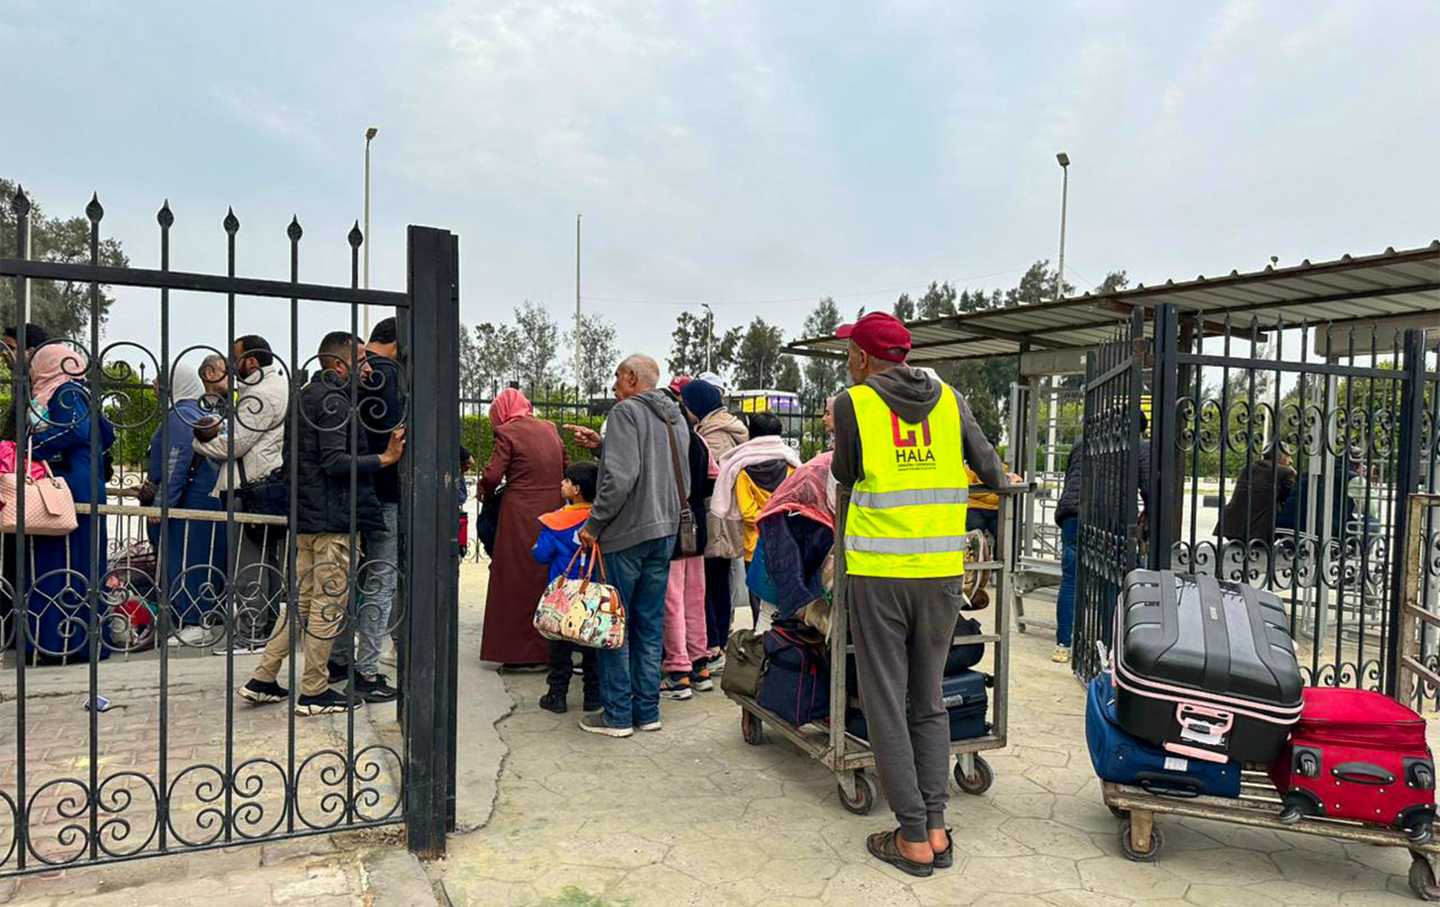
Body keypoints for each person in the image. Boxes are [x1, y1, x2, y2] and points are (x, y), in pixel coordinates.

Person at [830, 312, 1011, 877]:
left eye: (848, 355)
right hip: (940, 574)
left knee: (886, 701)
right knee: (927, 700)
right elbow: (991, 471)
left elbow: (846, 472)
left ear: (862, 358)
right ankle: (936, 826)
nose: (847, 364)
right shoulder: (951, 398)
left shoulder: (851, 403)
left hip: (879, 575)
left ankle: (910, 835)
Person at [239, 332, 404, 716]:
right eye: (361, 361)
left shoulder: (306, 396)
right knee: (327, 606)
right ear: (339, 364)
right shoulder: (333, 402)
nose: (368, 368)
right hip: (332, 522)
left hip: (309, 519)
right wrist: (385, 458)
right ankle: (313, 691)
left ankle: (263, 677)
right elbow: (335, 462)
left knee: (299, 603)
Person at [564, 354, 687, 738]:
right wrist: (603, 446)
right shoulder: (675, 416)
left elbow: (620, 478)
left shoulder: (625, 413)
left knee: (613, 625)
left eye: (618, 376)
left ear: (632, 377)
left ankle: (618, 715)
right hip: (664, 531)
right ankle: (647, 711)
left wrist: (593, 524)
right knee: (649, 625)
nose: (614, 384)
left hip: (627, 533)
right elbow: (656, 466)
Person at [23, 343, 118, 663]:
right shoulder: (78, 391)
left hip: (68, 488)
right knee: (78, 563)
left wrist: (30, 451)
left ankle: (64, 642)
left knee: (64, 563)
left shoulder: (66, 391)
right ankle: (72, 641)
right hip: (81, 484)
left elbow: (75, 430)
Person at [193, 335, 288, 652]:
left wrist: (200, 440)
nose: (230, 366)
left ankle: (251, 635)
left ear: (250, 362)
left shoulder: (260, 396)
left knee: (249, 565)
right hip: (260, 483)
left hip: (249, 488)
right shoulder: (271, 389)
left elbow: (233, 445)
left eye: (234, 358)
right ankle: (267, 630)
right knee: (265, 562)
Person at [328, 317, 404, 702]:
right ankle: (367, 670)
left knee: (344, 578)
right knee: (380, 578)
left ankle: (338, 659)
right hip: (384, 489)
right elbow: (394, 433)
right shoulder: (389, 374)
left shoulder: (341, 379)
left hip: (344, 488)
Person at [1051, 414, 1151, 664]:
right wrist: (1149, 514)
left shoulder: (1082, 443)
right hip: (1109, 519)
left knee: (1071, 580)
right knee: (1111, 580)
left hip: (1072, 515)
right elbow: (1149, 486)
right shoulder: (1138, 446)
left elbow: (1070, 481)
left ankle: (1063, 644)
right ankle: (1108, 646)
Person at [479, 387, 566, 669]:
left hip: (519, 514)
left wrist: (484, 490)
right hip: (552, 509)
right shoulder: (550, 428)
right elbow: (564, 465)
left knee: (515, 580)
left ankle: (519, 654)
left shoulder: (507, 432)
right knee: (544, 576)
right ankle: (548, 649)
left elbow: (493, 475)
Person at [145, 360, 226, 647]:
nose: (154, 387)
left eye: (158, 381)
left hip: (189, 502)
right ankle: (197, 617)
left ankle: (194, 621)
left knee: (188, 559)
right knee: (199, 559)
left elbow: (175, 463)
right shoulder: (194, 412)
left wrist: (161, 503)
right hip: (200, 499)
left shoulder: (181, 417)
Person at [679, 379, 748, 664]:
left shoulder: (714, 434)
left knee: (712, 580)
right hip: (727, 514)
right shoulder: (725, 426)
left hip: (716, 515)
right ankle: (718, 636)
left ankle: (714, 642)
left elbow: (714, 476)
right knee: (718, 578)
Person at [710, 412, 799, 625]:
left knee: (758, 600)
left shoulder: (743, 471)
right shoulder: (791, 466)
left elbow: (748, 513)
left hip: (754, 545)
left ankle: (761, 644)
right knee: (784, 598)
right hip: (786, 543)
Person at [659, 378, 714, 701]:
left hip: (672, 524)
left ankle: (678, 672)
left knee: (672, 599)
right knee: (695, 595)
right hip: (696, 523)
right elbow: (713, 478)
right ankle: (700, 663)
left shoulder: (667, 440)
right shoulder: (699, 440)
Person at [532, 461, 602, 714]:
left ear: (576, 489)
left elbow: (541, 554)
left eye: (566, 481)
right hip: (593, 593)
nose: (561, 484)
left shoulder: (556, 521)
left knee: (559, 645)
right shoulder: (601, 518)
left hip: (563, 593)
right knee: (592, 645)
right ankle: (593, 697)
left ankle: (557, 695)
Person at [1219, 443, 1296, 543]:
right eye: (1288, 456)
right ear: (1280, 456)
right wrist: (1295, 477)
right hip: (1261, 534)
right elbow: (1290, 498)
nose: (1291, 461)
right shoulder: (1285, 472)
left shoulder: (1247, 468)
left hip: (1232, 531)